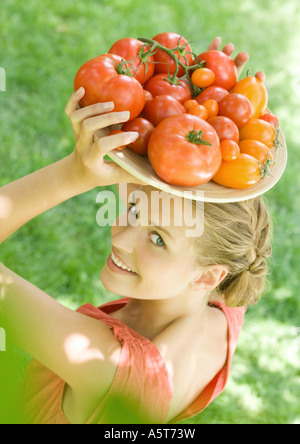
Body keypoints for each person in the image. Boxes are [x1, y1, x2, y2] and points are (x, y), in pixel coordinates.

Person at [0, 38, 272, 424]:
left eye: (158, 239)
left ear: (208, 275)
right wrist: (207, 94)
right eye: (131, 210)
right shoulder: (223, 298)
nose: (121, 237)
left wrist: (73, 174)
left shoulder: (109, 367)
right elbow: (156, 176)